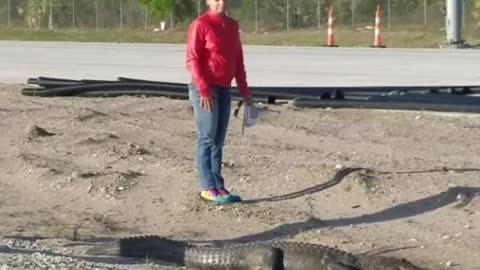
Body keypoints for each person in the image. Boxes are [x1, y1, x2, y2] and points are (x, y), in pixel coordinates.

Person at [186, 0, 252, 205]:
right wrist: (203, 89)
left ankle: (218, 184)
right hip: (205, 89)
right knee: (206, 136)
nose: (220, 3)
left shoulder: (231, 25)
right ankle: (207, 187)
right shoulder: (200, 24)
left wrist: (244, 90)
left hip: (224, 88)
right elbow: (193, 59)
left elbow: (237, 59)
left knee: (218, 139)